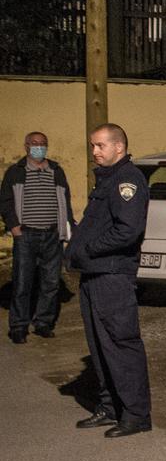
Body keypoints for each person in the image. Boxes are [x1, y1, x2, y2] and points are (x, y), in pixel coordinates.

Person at [68, 123, 152, 437]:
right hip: (95, 275)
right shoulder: (107, 180)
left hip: (112, 277)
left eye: (100, 146)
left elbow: (127, 230)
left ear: (119, 147)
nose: (94, 152)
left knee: (120, 345)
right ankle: (110, 407)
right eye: (92, 146)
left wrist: (88, 249)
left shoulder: (127, 180)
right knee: (100, 347)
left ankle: (135, 415)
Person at [3, 131, 74, 343]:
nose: (39, 147)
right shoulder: (15, 172)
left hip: (52, 235)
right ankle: (18, 326)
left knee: (51, 282)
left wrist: (66, 228)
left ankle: (43, 322)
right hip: (26, 235)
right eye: (34, 143)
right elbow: (5, 201)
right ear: (26, 146)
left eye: (43, 143)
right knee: (23, 283)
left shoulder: (56, 170)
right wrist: (14, 227)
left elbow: (65, 201)